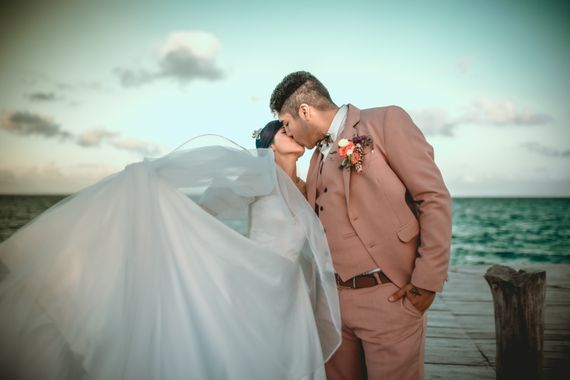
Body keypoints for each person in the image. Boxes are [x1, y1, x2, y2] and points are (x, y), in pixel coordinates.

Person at [0, 133, 341, 380]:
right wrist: (190, 231)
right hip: (258, 278)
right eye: (283, 130)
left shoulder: (303, 184)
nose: (291, 132)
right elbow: (212, 206)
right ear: (268, 142)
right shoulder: (259, 174)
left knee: (291, 358)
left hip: (289, 290)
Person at [270, 71, 453, 380]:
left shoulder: (386, 121)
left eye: (287, 124)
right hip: (334, 303)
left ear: (305, 111)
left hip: (388, 296)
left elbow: (433, 197)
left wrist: (426, 282)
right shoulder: (315, 157)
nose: (289, 133)